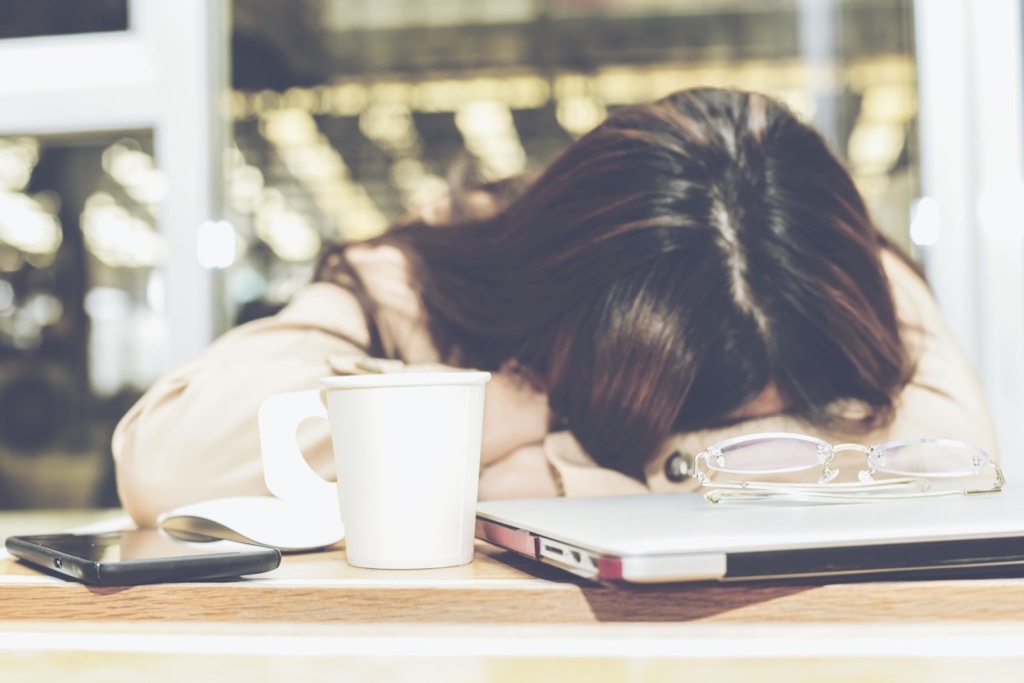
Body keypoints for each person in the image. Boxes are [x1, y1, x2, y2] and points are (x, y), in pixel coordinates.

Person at [112, 87, 997, 526]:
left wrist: (549, 476)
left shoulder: (829, 277)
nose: (677, 434)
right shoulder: (425, 279)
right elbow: (169, 458)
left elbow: (955, 471)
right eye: (656, 409)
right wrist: (499, 406)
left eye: (741, 421)